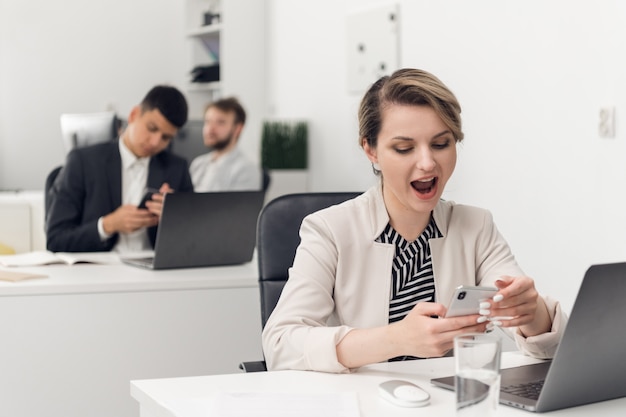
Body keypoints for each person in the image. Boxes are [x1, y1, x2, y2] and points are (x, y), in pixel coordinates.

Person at [262, 68, 567, 373]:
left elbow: (549, 346)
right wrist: (395, 340)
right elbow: (280, 344)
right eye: (404, 148)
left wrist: (532, 313)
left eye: (441, 144)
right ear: (370, 150)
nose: (427, 163)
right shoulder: (329, 230)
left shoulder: (476, 227)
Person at [46, 85, 194, 253]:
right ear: (133, 115)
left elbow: (193, 241)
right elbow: (55, 240)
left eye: (166, 138)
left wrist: (175, 218)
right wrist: (108, 225)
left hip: (155, 272)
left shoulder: (177, 168)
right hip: (98, 271)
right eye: (151, 128)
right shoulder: (83, 162)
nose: (155, 142)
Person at [189, 97, 262, 191]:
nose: (210, 129)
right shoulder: (198, 163)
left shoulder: (246, 169)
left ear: (238, 129)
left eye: (220, 122)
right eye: (207, 121)